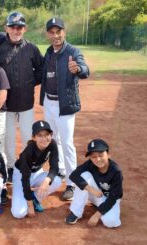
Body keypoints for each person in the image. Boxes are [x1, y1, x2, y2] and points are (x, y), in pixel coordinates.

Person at [40, 17, 90, 201]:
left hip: (65, 105)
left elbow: (85, 70)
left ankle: (71, 183)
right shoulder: (48, 52)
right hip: (49, 102)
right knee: (54, 140)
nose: (55, 35)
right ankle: (60, 170)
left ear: (64, 32)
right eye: (51, 32)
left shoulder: (72, 51)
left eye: (58, 31)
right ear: (48, 34)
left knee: (67, 143)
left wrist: (77, 69)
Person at [0, 11, 43, 185]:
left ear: (25, 29)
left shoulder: (31, 48)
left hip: (27, 102)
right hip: (6, 104)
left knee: (29, 135)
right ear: (6, 28)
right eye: (13, 27)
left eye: (20, 27)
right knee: (8, 138)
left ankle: (29, 164)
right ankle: (12, 166)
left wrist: (29, 83)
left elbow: (41, 70)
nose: (16, 30)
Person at [65, 139, 123, 228]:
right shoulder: (90, 164)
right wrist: (90, 189)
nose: (98, 159)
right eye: (93, 157)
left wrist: (97, 215)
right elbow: (73, 175)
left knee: (110, 222)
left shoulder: (116, 171)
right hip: (96, 194)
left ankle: (99, 206)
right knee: (84, 175)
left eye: (101, 155)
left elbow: (113, 198)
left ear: (108, 155)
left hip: (110, 199)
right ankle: (76, 212)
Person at [11, 120, 62, 219]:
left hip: (37, 172)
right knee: (19, 213)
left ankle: (34, 198)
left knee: (56, 180)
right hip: (21, 175)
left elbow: (55, 167)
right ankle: (28, 199)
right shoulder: (28, 153)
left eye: (46, 134)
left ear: (51, 135)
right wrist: (29, 206)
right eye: (40, 135)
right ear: (34, 137)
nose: (44, 138)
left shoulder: (52, 144)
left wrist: (46, 181)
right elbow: (25, 179)